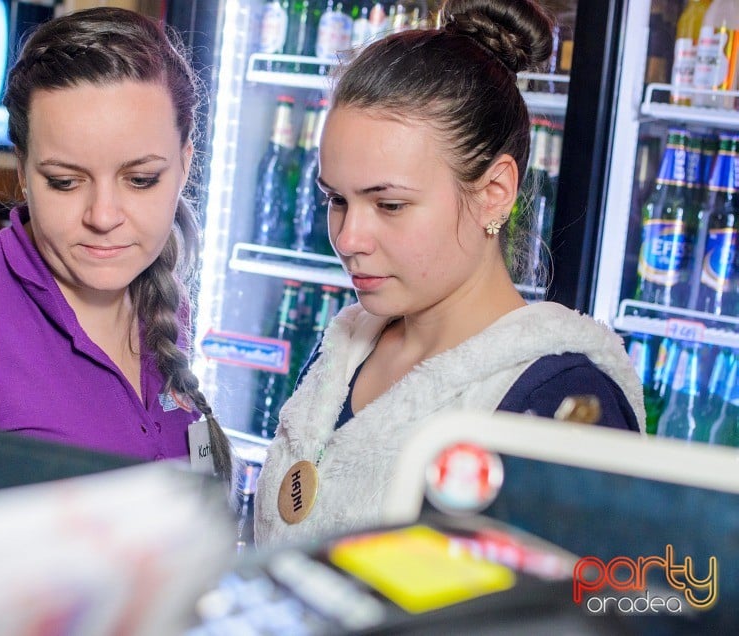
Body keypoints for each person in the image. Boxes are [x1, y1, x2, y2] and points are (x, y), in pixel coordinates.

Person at [254, 0, 645, 546]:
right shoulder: (341, 350)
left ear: (493, 193)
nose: (347, 238)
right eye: (336, 199)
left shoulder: (565, 403)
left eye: (389, 205)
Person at [0, 7, 232, 481]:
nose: (103, 217)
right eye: (64, 181)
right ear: (22, 170)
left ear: (184, 164)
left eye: (141, 180)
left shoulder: (164, 304)